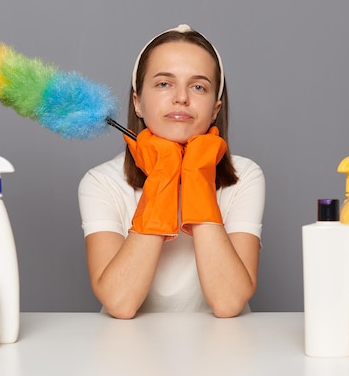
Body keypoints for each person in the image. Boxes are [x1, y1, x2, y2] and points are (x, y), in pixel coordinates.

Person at [78, 24, 265, 319]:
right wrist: (164, 175)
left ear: (215, 109)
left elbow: (228, 302)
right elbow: (120, 302)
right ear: (138, 102)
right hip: (128, 353)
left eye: (198, 86)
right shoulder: (100, 182)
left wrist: (196, 176)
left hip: (223, 352)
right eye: (164, 84)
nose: (182, 98)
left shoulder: (245, 176)